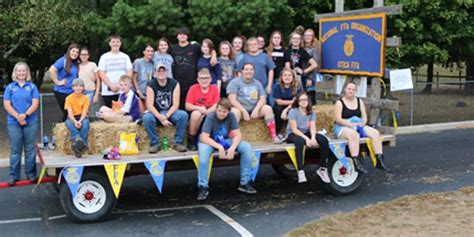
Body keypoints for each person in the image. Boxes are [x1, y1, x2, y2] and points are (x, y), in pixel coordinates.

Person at [196, 98, 257, 201]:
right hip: (209, 141)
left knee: (246, 147)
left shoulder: (231, 116)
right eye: (219, 111)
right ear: (216, 109)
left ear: (228, 111)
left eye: (224, 112)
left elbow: (238, 135)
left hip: (225, 140)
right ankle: (203, 186)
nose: (221, 114)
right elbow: (204, 137)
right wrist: (219, 147)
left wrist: (233, 147)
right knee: (203, 157)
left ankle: (244, 182)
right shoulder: (211, 116)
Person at [333, 81, 390, 173]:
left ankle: (379, 159)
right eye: (349, 89)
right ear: (345, 90)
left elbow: (364, 116)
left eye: (353, 89)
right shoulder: (339, 103)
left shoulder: (359, 101)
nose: (351, 91)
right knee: (354, 135)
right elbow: (338, 119)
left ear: (356, 91)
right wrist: (351, 125)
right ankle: (356, 163)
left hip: (357, 124)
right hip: (343, 126)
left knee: (375, 133)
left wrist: (363, 123)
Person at [3, 62, 39, 186]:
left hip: (30, 121)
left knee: (30, 150)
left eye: (23, 71)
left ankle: (31, 174)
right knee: (15, 150)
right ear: (15, 73)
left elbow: (35, 103)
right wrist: (18, 116)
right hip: (14, 122)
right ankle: (14, 176)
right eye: (19, 71)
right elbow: (7, 104)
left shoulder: (32, 87)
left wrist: (25, 115)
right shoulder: (10, 87)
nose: (21, 73)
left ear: (27, 72)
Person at [227, 63, 282, 143]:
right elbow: (232, 100)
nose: (249, 72)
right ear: (242, 71)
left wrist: (256, 109)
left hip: (254, 109)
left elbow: (263, 98)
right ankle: (231, 137)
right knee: (234, 112)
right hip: (240, 109)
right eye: (246, 69)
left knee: (268, 109)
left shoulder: (257, 83)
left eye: (251, 70)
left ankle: (274, 136)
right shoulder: (235, 82)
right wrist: (243, 111)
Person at [143, 63, 188, 153]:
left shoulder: (174, 83)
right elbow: (150, 105)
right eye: (159, 71)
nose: (161, 72)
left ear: (167, 72)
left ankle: (178, 142)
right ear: (155, 73)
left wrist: (166, 116)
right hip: (156, 112)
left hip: (170, 112)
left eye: (163, 70)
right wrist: (160, 117)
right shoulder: (151, 84)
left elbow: (176, 104)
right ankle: (155, 143)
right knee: (147, 118)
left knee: (183, 115)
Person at [286, 92, 331, 183]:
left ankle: (322, 168)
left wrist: (313, 137)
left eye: (305, 100)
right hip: (293, 134)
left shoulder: (311, 112)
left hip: (306, 132)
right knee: (300, 141)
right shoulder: (293, 111)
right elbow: (294, 129)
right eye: (301, 100)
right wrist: (307, 139)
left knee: (323, 140)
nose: (304, 102)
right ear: (298, 102)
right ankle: (300, 170)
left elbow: (312, 127)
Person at [169, 27, 216, 110]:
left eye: (184, 34)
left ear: (187, 36)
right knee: (179, 105)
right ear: (177, 36)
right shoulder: (173, 48)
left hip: (192, 81)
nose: (182, 36)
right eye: (180, 34)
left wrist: (214, 55)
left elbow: (208, 49)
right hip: (178, 81)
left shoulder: (195, 46)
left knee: (192, 104)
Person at [185, 68, 220, 151]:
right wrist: (199, 108)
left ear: (211, 79)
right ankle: (192, 139)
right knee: (195, 114)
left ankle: (213, 139)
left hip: (210, 114)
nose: (204, 80)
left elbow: (217, 104)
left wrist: (207, 112)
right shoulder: (193, 88)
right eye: (202, 78)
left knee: (216, 114)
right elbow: (187, 105)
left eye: (206, 78)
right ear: (198, 79)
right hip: (198, 115)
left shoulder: (214, 89)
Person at [97, 34, 133, 108]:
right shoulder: (104, 57)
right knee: (110, 112)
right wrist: (111, 85)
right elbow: (101, 73)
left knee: (122, 112)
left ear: (120, 43)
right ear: (109, 43)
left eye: (117, 42)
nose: (115, 44)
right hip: (108, 91)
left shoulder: (125, 57)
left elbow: (129, 71)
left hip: (123, 91)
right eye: (113, 42)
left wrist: (123, 85)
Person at [49, 43, 80, 121]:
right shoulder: (63, 60)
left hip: (72, 92)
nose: (75, 53)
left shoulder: (76, 63)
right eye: (73, 51)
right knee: (67, 112)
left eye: (77, 52)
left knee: (73, 113)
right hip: (62, 92)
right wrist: (57, 82)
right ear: (69, 51)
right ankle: (65, 129)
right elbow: (52, 70)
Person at [288, 32, 318, 104]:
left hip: (299, 78)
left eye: (298, 38)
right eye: (294, 38)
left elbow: (314, 64)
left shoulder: (303, 51)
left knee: (301, 97)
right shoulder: (287, 50)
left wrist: (304, 71)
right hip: (288, 77)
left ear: (300, 40)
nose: (296, 40)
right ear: (291, 40)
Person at [64, 78, 90, 158]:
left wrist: (80, 121)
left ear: (83, 88)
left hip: (82, 116)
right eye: (76, 86)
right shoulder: (68, 98)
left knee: (85, 124)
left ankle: (78, 144)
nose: (78, 88)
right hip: (72, 117)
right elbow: (70, 113)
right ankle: (79, 140)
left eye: (80, 86)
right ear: (73, 87)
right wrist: (75, 121)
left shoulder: (86, 98)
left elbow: (85, 111)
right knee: (68, 123)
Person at [272, 68, 303, 134]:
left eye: (289, 75)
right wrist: (292, 102)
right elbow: (278, 102)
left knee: (295, 110)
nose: (287, 77)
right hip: (281, 105)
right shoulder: (277, 86)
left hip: (294, 106)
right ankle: (278, 131)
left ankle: (296, 130)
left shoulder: (298, 86)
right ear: (281, 77)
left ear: (293, 77)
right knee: (277, 109)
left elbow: (299, 100)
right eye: (285, 75)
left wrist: (286, 109)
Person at [303, 28, 321, 102]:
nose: (307, 37)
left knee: (310, 96)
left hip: (310, 75)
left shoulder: (314, 48)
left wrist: (310, 78)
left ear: (313, 37)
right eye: (306, 35)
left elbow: (316, 63)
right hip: (303, 74)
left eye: (310, 36)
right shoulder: (302, 47)